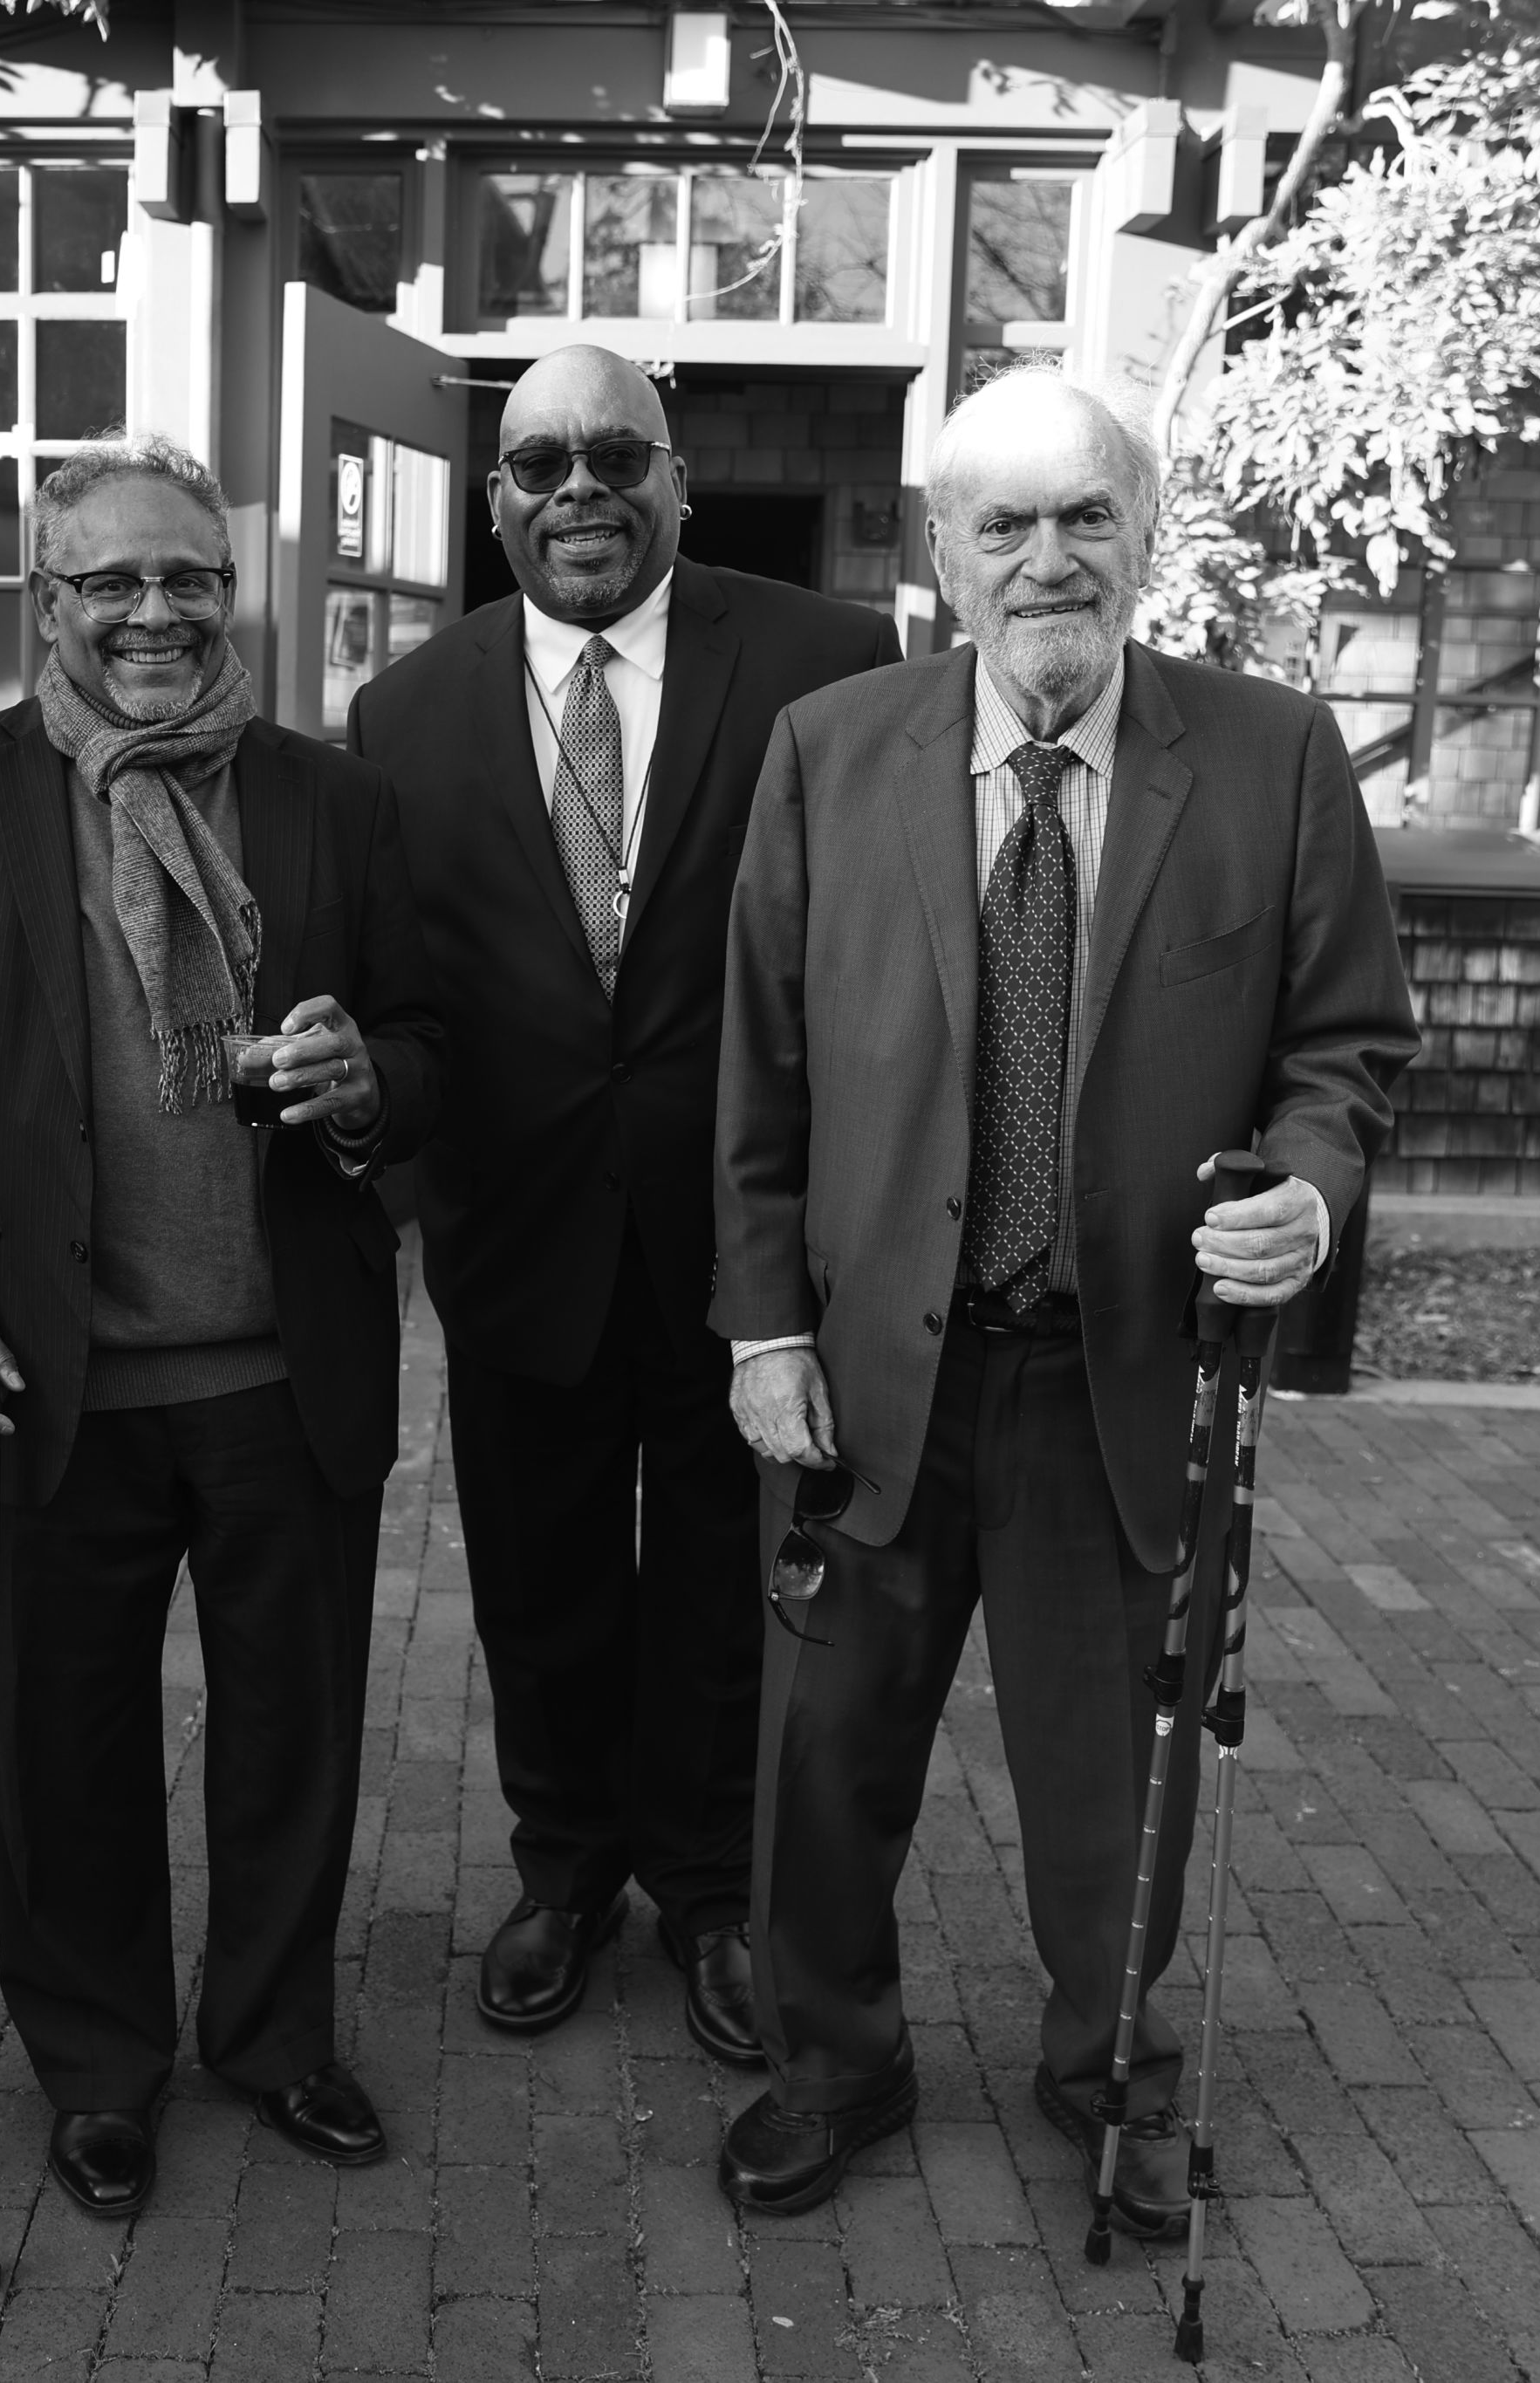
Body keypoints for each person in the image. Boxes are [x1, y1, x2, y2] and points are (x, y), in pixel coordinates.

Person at [707, 369, 1418, 2218]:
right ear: (941, 553)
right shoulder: (829, 750)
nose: (1044, 560)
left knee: (1113, 1778)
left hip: (1120, 1373)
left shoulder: (1265, 759)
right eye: (1000, 524)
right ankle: (832, 2064)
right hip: (871, 1374)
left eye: (1082, 517)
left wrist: (1306, 1204)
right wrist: (766, 1330)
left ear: (1142, 532)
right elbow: (759, 1073)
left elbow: (1338, 1052)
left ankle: (1108, 2064)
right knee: (825, 1759)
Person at [0, 433, 443, 2218]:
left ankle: (273, 2036)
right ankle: (98, 2064)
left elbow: (435, 1049)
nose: (151, 613)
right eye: (109, 581)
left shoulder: (328, 802)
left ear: (230, 591)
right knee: (67, 1752)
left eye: (184, 578)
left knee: (293, 1729)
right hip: (54, 1371)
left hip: (285, 1362)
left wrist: (367, 1086)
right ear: (47, 600)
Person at [346, 347, 896, 2067]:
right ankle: (565, 1867)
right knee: (540, 1579)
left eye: (611, 455)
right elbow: (404, 986)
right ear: (493, 498)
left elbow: (867, 953)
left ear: (675, 480)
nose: (575, 489)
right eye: (535, 463)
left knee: (731, 1592)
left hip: (748, 1243)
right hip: (517, 1233)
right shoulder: (406, 711)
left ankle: (713, 1889)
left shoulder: (823, 662)